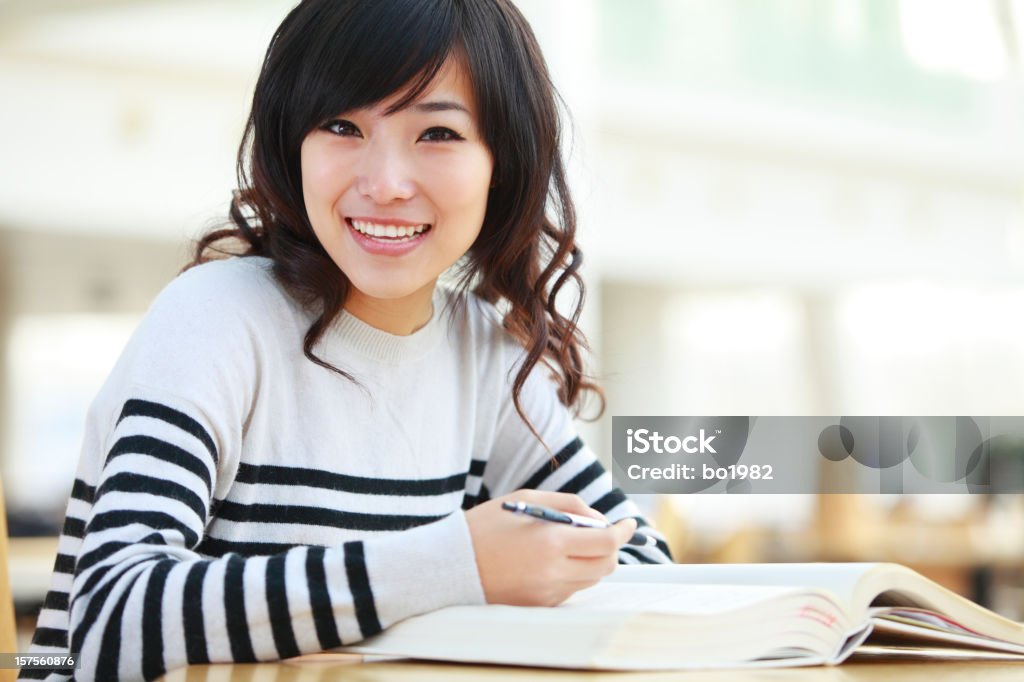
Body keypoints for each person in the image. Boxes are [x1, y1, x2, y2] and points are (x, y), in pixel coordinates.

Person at [22, 0, 672, 680]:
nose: (385, 184)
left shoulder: (482, 353)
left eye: (438, 134)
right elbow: (111, 616)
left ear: (500, 163)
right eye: (341, 126)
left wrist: (500, 567)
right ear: (291, 146)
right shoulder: (218, 317)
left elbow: (639, 561)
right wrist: (456, 564)